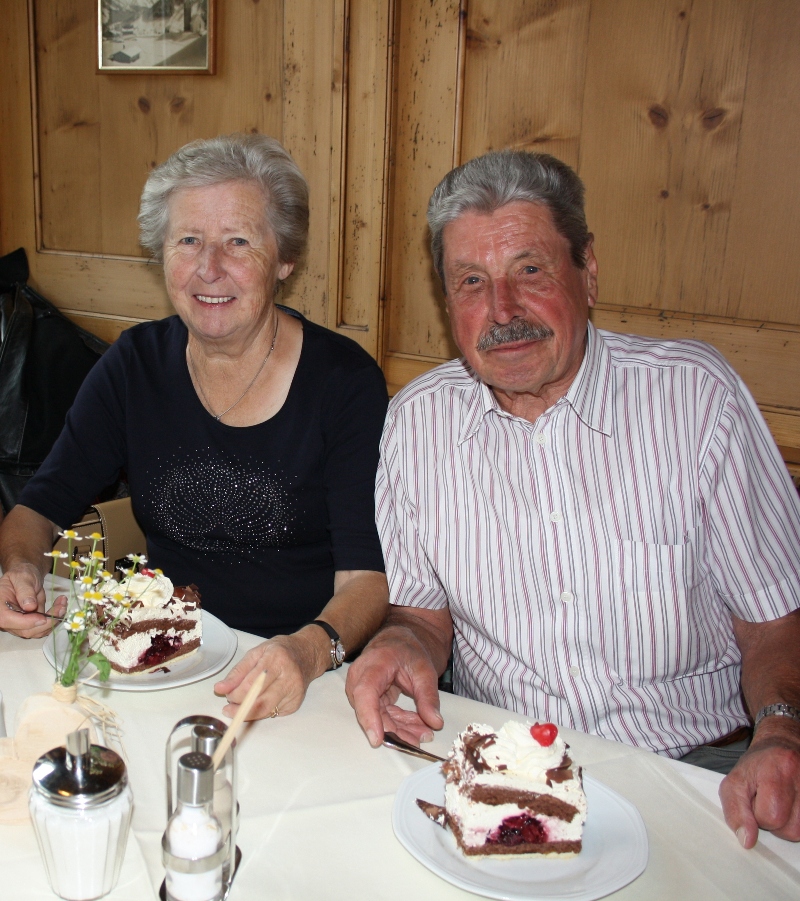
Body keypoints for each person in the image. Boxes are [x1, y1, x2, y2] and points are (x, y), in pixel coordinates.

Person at [346, 150, 800, 847]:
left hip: (696, 772)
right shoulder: (417, 422)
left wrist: (781, 729)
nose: (502, 310)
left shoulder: (696, 400)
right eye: (472, 282)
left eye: (530, 270)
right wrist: (397, 644)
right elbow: (421, 618)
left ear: (587, 269)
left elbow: (776, 623)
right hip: (508, 771)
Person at [0, 133, 389, 720]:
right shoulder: (134, 365)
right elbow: (38, 507)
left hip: (304, 679)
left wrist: (310, 650)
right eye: (188, 240)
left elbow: (366, 577)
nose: (209, 268)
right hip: (167, 663)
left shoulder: (344, 382)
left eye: (238, 241)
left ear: (284, 259)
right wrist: (21, 568)